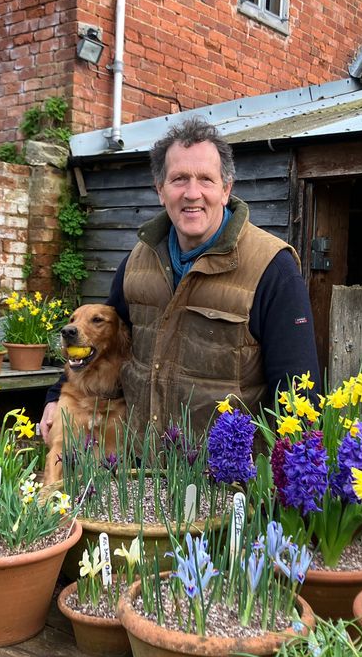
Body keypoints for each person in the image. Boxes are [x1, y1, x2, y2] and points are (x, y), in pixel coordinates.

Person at [40, 117, 319, 447]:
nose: (192, 193)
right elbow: (100, 335)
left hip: (228, 479)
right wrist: (56, 394)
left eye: (205, 179)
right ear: (160, 190)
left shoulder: (273, 269)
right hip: (142, 469)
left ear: (226, 189)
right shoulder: (137, 263)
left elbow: (298, 391)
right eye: (179, 179)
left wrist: (288, 483)